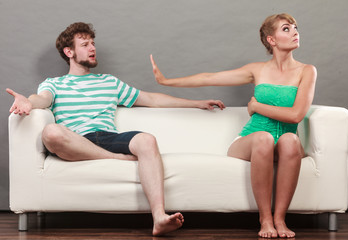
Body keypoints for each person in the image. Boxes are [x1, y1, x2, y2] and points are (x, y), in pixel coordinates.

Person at [6, 22, 225, 236]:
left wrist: (195, 103)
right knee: (50, 132)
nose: (92, 48)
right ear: (69, 52)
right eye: (84, 44)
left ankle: (159, 217)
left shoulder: (108, 82)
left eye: (93, 43)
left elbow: (151, 99)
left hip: (107, 136)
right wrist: (28, 102)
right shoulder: (54, 84)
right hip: (75, 139)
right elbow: (42, 99)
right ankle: (116, 158)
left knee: (146, 140)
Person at [150, 13, 317, 238]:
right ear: (272, 40)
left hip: (285, 142)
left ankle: (280, 219)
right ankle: (265, 218)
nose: (295, 32)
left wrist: (257, 107)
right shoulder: (257, 70)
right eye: (286, 28)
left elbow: (296, 115)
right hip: (253, 141)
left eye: (296, 27)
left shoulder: (307, 71)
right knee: (264, 137)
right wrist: (166, 81)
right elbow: (209, 78)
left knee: (291, 140)